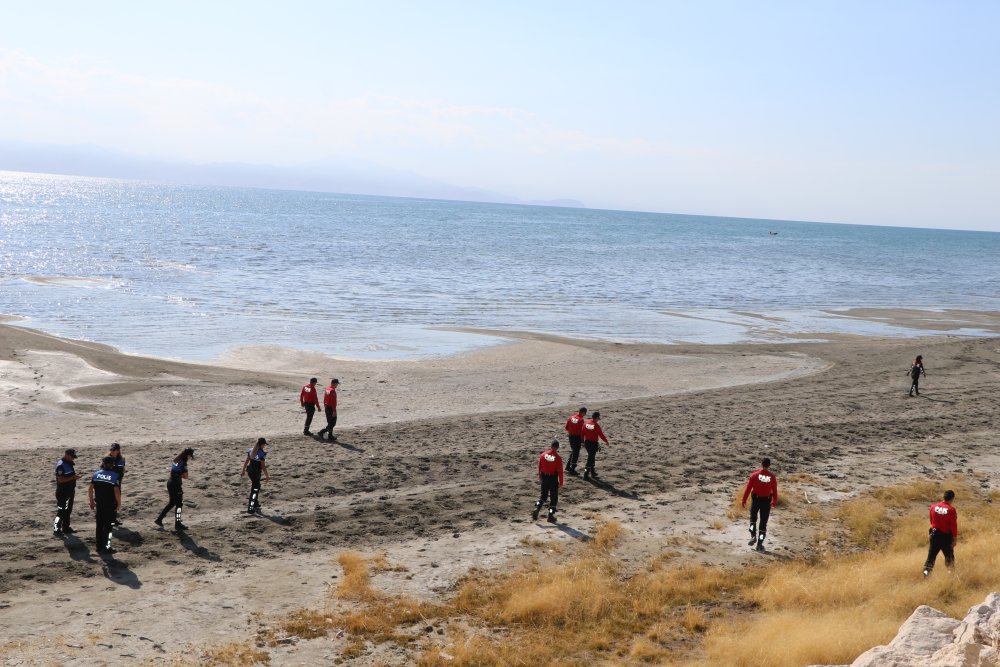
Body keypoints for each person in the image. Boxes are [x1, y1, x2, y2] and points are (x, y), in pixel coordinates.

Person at [741, 457, 779, 552]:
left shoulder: (754, 475)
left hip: (756, 501)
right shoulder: (772, 477)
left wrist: (744, 500)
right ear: (769, 465)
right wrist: (774, 501)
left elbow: (748, 488)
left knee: (753, 520)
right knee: (763, 524)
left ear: (761, 464)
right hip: (766, 502)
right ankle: (760, 544)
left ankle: (753, 536)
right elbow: (774, 491)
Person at [88, 456, 121, 555]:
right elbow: (116, 492)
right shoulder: (115, 475)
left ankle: (98, 547)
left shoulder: (96, 474)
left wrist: (91, 502)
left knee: (99, 526)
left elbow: (90, 489)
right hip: (110, 506)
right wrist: (119, 503)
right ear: (112, 465)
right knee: (109, 528)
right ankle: (107, 547)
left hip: (99, 505)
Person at [155, 448, 194, 531]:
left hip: (170, 483)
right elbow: (186, 477)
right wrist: (182, 473)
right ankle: (178, 523)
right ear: (188, 455)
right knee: (179, 505)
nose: (190, 458)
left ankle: (159, 519)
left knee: (171, 503)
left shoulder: (176, 460)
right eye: (191, 456)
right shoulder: (184, 464)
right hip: (176, 485)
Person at [924, 490, 957, 577]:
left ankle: (925, 575)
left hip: (934, 534)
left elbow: (931, 521)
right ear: (952, 499)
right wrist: (954, 539)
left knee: (930, 559)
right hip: (945, 537)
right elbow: (953, 526)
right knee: (949, 558)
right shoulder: (951, 510)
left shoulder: (933, 507)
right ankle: (951, 576)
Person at [533, 439, 564, 523]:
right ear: (557, 447)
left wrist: (540, 476)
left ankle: (537, 508)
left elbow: (539, 466)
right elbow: (560, 472)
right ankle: (550, 515)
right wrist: (561, 482)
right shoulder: (558, 458)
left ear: (551, 446)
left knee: (543, 496)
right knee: (553, 499)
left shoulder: (543, 455)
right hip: (553, 479)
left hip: (544, 477)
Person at [53, 448, 82, 536]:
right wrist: (73, 478)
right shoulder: (61, 465)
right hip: (63, 492)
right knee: (61, 511)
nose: (73, 459)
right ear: (66, 454)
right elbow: (60, 480)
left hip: (69, 491)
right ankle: (56, 529)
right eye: (72, 457)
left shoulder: (68, 463)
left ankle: (66, 527)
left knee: (68, 510)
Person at [241, 437, 270, 514]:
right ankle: (250, 508)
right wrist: (267, 475)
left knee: (257, 486)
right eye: (264, 445)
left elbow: (247, 461)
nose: (264, 446)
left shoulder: (251, 451)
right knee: (255, 489)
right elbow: (263, 466)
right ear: (262, 444)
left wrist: (243, 470)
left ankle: (256, 503)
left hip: (250, 472)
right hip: (256, 473)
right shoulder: (261, 454)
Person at [581, 411, 609, 480]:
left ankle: (592, 472)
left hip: (587, 443)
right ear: (596, 418)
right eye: (598, 418)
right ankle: (585, 474)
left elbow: (582, 433)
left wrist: (582, 442)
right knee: (590, 460)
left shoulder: (586, 423)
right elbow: (601, 435)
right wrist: (606, 441)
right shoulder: (596, 426)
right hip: (593, 444)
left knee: (592, 458)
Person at [563, 407, 587, 475]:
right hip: (577, 437)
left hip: (571, 436)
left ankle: (568, 467)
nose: (584, 415)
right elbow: (582, 432)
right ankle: (572, 469)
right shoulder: (581, 420)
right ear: (583, 412)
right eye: (585, 413)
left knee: (574, 451)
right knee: (576, 453)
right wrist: (582, 441)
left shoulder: (571, 417)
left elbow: (566, 428)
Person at [108, 443, 125, 526]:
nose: (111, 451)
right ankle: (109, 519)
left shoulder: (121, 459)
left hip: (117, 482)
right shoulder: (107, 459)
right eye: (111, 449)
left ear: (118, 451)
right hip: (109, 482)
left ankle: (113, 519)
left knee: (116, 501)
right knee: (109, 501)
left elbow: (122, 470)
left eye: (113, 450)